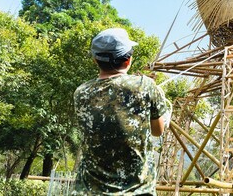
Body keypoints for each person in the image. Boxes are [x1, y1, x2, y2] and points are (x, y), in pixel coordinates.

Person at [72, 28, 169, 195]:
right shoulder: (145, 86)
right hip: (137, 191)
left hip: (89, 191)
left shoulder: (81, 92)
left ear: (95, 60)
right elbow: (158, 131)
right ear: (128, 60)